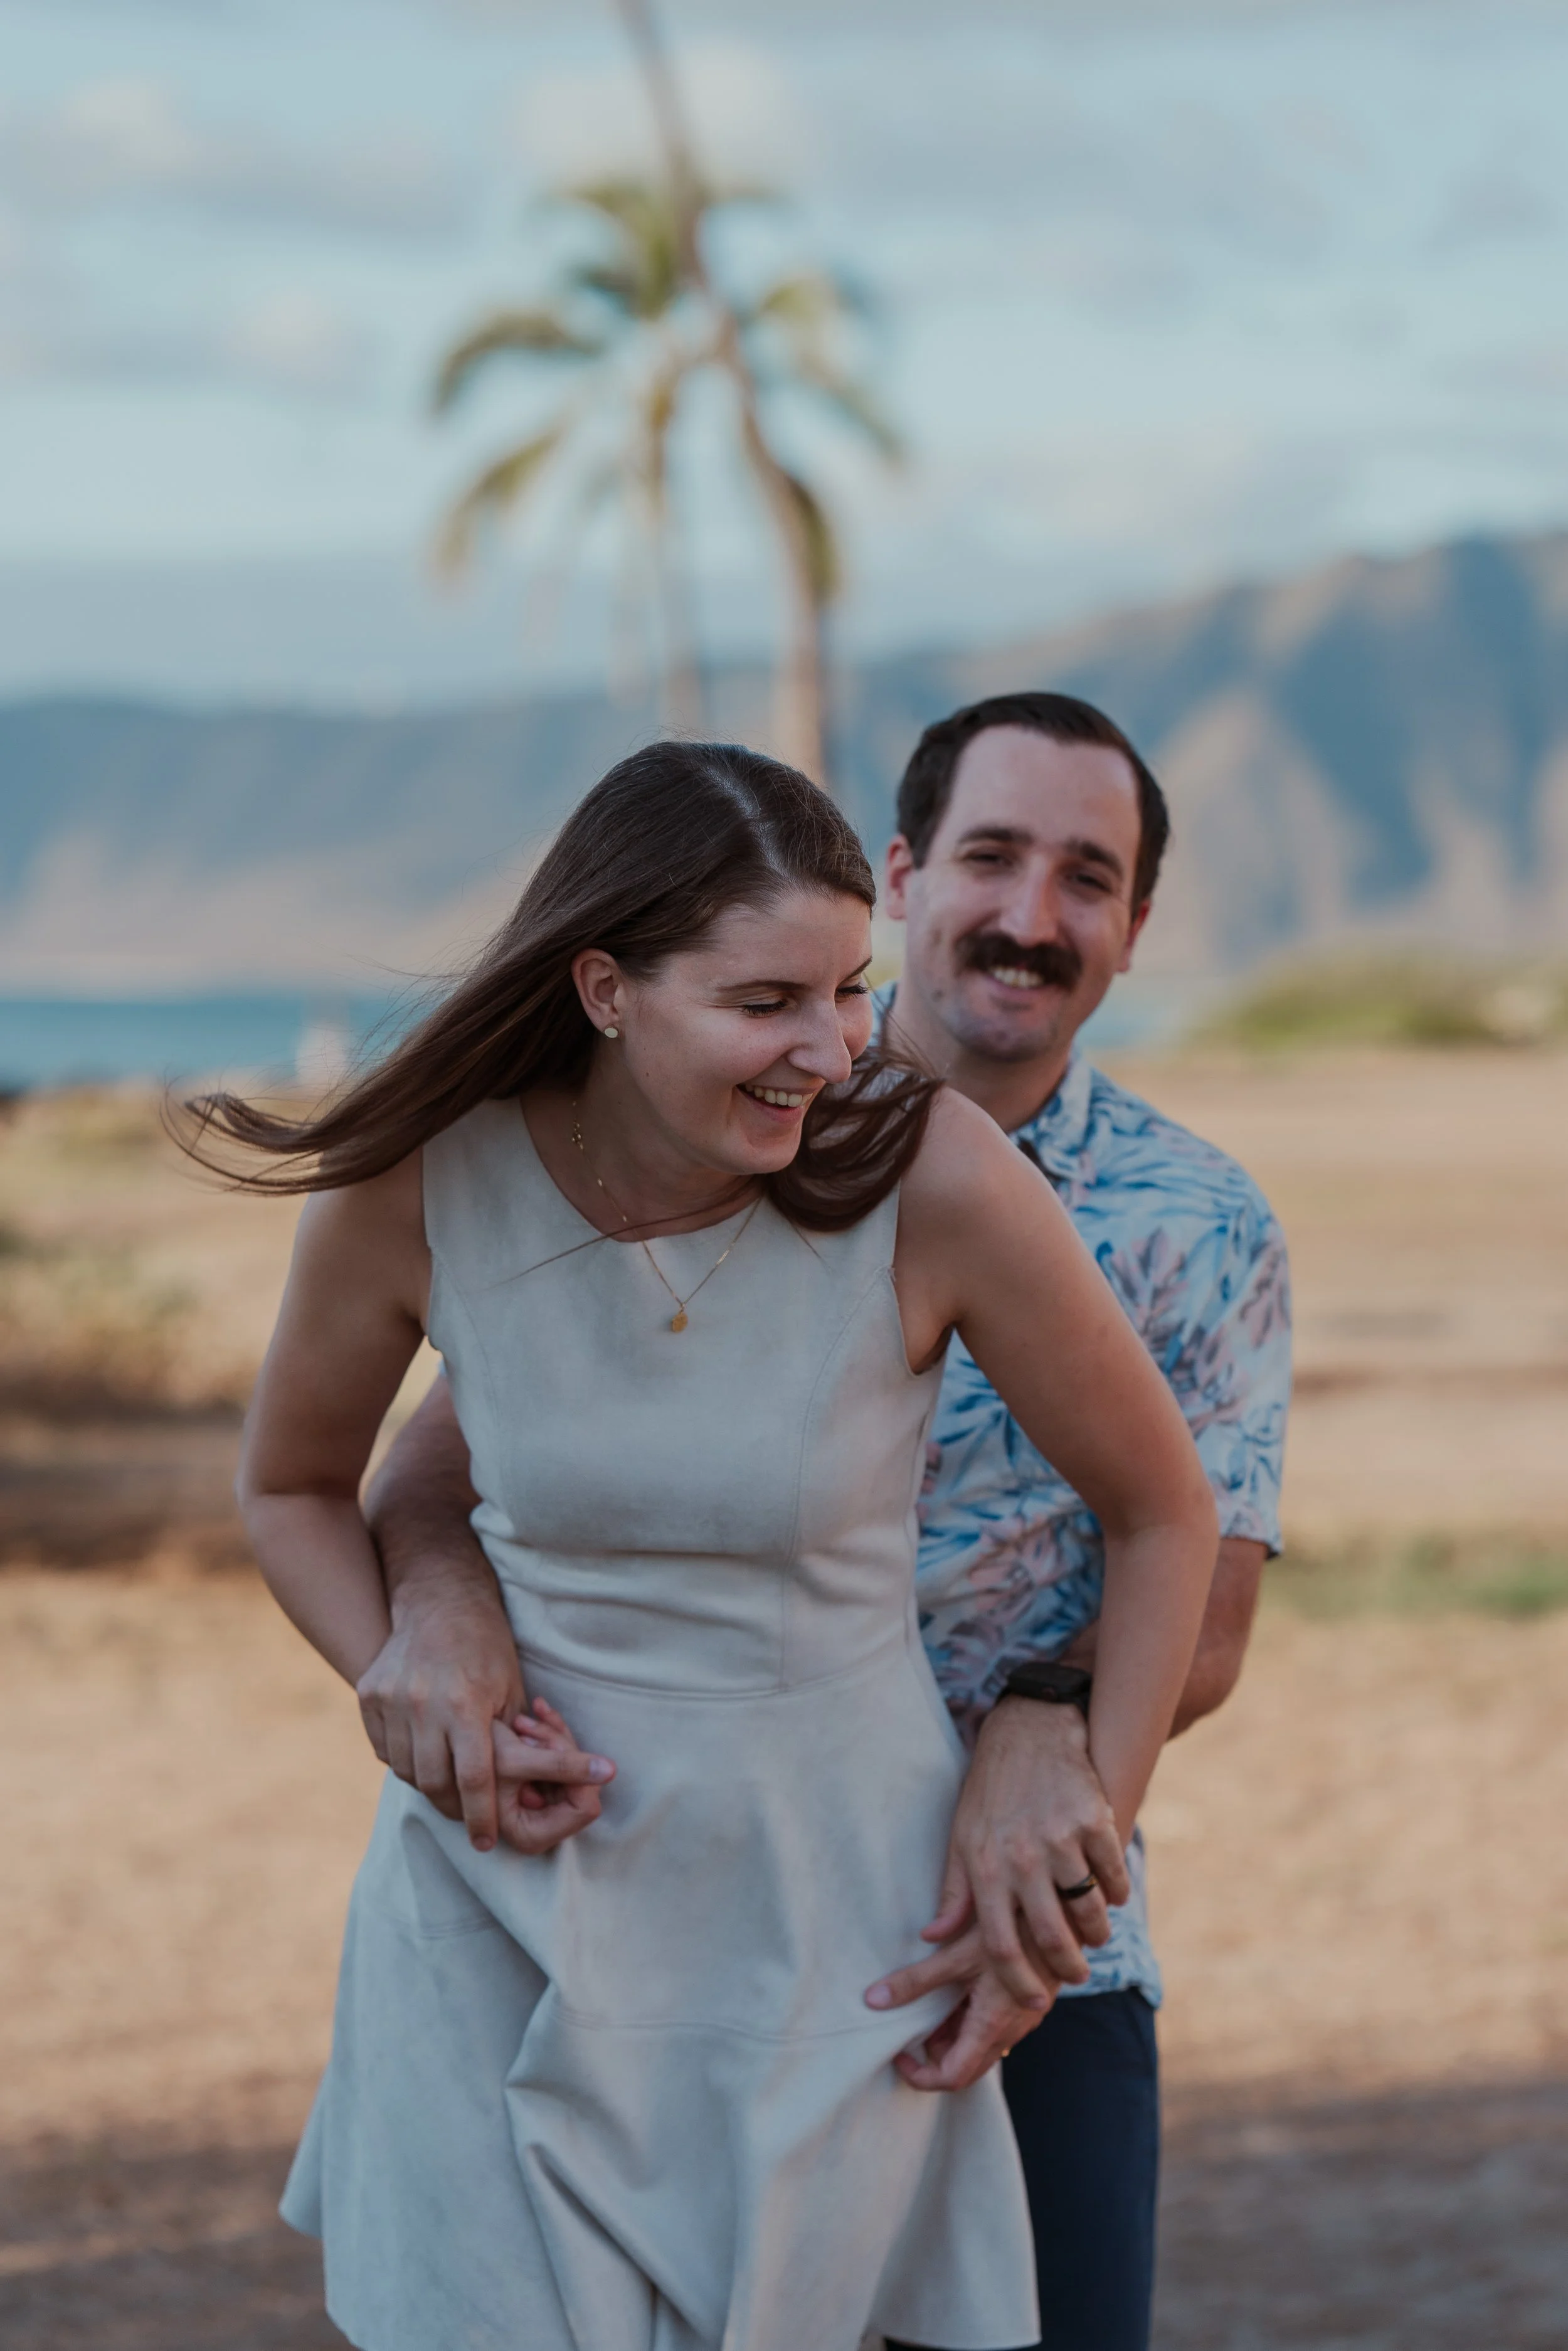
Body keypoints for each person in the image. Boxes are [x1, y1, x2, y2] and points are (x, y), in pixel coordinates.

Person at [205, 740, 1219, 2351]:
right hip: (493, 1911)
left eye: (845, 988)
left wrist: (1073, 1851)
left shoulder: (929, 1170)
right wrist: (394, 1653)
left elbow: (1165, 1508)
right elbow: (293, 1487)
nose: (828, 1045)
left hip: (827, 1927)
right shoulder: (425, 1176)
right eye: (766, 1002)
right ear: (604, 987)